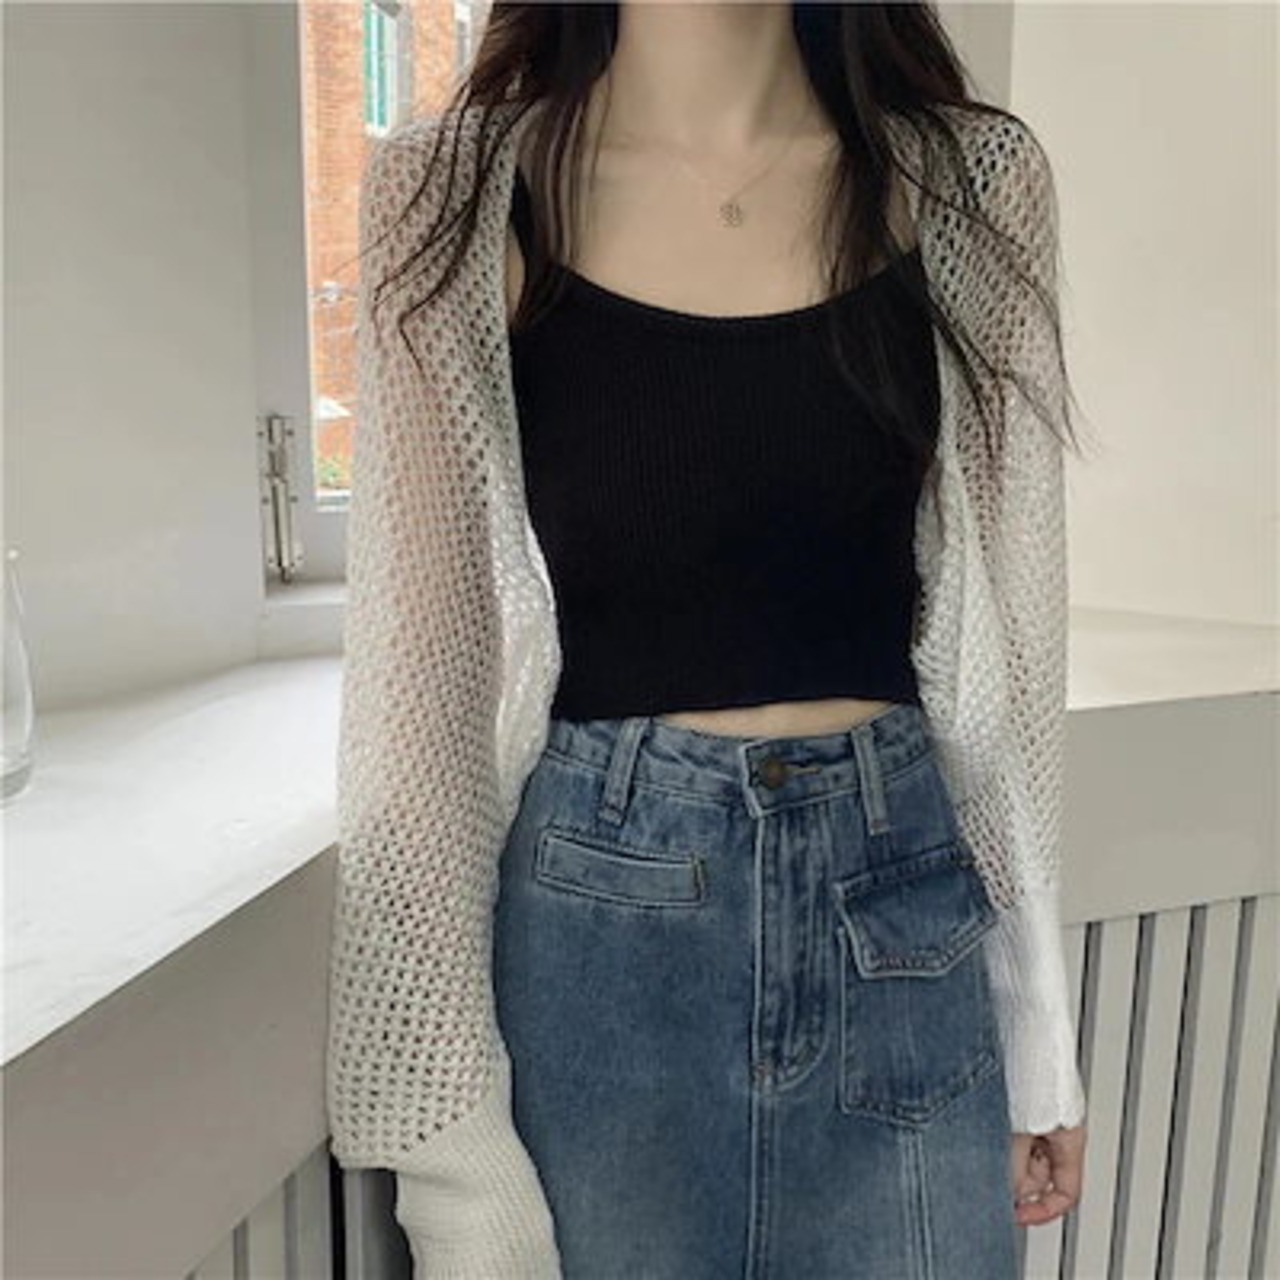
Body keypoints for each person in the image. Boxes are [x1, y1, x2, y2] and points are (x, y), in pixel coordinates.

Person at [326, 3, 1090, 1276]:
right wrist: (448, 1149)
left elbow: (1009, 656)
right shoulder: (453, 195)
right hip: (599, 942)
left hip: (903, 927)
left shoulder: (969, 180)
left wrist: (1033, 1036)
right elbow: (423, 688)